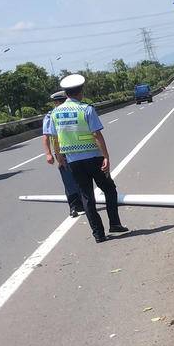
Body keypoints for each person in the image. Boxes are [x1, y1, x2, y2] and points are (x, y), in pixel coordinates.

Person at [41, 74, 129, 243]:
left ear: (66, 93)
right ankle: (115, 223)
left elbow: (55, 138)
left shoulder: (55, 114)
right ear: (80, 91)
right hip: (94, 158)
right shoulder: (86, 109)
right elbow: (97, 134)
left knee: (87, 197)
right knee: (109, 189)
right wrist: (106, 157)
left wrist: (60, 158)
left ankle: (98, 234)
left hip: (73, 162)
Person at [45, 90, 84, 218]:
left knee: (80, 178)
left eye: (62, 101)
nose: (60, 104)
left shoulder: (74, 111)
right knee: (68, 181)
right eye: (57, 102)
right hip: (62, 153)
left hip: (77, 150)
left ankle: (83, 203)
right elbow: (47, 137)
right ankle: (73, 206)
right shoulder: (51, 116)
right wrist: (49, 154)